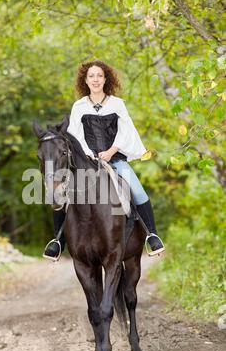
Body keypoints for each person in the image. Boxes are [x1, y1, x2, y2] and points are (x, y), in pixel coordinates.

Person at [43, 59, 165, 261]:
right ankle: (58, 241)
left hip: (114, 159)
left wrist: (111, 151)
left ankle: (152, 235)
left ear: (106, 79)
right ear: (86, 80)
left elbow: (126, 132)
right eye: (91, 76)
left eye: (99, 75)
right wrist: (88, 153)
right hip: (87, 161)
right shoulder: (79, 106)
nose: (95, 79)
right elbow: (74, 135)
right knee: (61, 195)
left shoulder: (117, 104)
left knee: (138, 190)